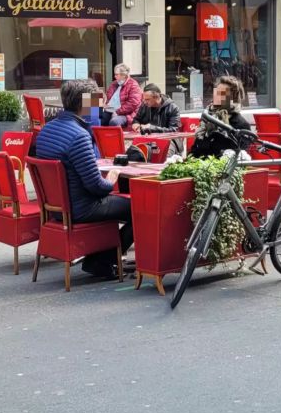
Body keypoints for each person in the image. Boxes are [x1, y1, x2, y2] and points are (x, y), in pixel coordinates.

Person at [35, 79, 133, 278]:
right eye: (95, 101)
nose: (99, 106)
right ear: (84, 103)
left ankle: (100, 257)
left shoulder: (46, 130)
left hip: (57, 208)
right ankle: (101, 261)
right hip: (83, 207)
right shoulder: (79, 135)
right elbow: (97, 187)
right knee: (141, 209)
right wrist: (112, 177)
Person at [190, 75, 252, 159]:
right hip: (199, 167)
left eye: (222, 93)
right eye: (216, 92)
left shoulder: (242, 125)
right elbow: (196, 148)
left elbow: (238, 159)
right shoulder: (208, 117)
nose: (216, 96)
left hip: (221, 169)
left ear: (233, 97)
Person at [132, 84, 183, 156]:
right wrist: (135, 124)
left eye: (147, 99)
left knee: (164, 156)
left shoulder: (173, 108)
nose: (145, 102)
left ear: (156, 97)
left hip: (168, 140)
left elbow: (174, 130)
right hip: (147, 139)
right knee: (132, 154)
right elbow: (136, 119)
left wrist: (152, 128)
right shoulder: (144, 106)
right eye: (144, 99)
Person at [103, 63, 143, 128]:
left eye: (116, 74)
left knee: (114, 121)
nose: (115, 76)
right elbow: (108, 98)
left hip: (128, 114)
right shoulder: (114, 84)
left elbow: (133, 104)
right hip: (112, 110)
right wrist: (105, 106)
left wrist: (117, 111)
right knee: (99, 118)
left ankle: (113, 138)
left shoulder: (133, 85)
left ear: (124, 75)